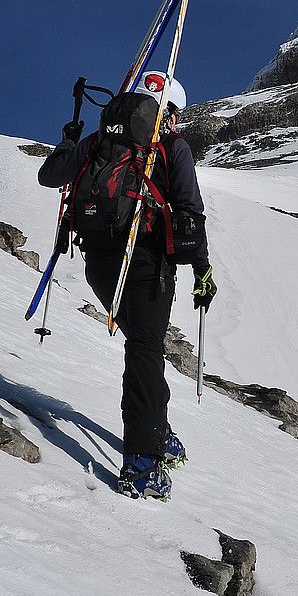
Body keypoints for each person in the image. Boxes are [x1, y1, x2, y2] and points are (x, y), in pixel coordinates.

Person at [37, 70, 217, 500]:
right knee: (144, 350)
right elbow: (189, 210)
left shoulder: (99, 142)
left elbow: (51, 176)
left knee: (142, 345)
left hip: (99, 262)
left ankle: (156, 427)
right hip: (146, 262)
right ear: (169, 111)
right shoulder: (172, 147)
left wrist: (69, 139)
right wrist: (202, 268)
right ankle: (140, 461)